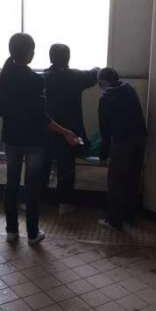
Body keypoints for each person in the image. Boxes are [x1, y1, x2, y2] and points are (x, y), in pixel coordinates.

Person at [0, 34, 80, 245]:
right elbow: (42, 118)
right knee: (32, 187)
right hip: (34, 142)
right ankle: (32, 234)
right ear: (29, 53)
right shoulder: (36, 80)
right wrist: (65, 132)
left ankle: (11, 231)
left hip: (11, 139)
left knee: (11, 185)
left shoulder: (2, 78)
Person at [43, 44, 99, 215]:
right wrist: (97, 68)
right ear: (68, 58)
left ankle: (37, 201)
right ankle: (65, 203)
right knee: (66, 166)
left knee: (43, 166)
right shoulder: (76, 77)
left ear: (50, 58)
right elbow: (95, 73)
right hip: (71, 132)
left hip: (48, 129)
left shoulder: (43, 78)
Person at [97, 67, 146, 230]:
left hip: (122, 143)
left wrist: (103, 155)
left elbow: (105, 130)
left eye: (100, 84)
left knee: (116, 182)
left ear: (103, 82)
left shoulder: (106, 99)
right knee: (132, 179)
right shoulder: (129, 89)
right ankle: (129, 216)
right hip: (139, 139)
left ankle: (114, 221)